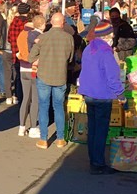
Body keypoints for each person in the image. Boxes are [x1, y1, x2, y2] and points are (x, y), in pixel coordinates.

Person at [79, 21, 126, 174]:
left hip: (89, 94)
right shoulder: (106, 52)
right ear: (106, 36)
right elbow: (113, 77)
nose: (113, 38)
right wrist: (121, 95)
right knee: (100, 131)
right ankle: (98, 164)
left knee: (92, 129)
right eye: (111, 35)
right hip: (102, 95)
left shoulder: (88, 49)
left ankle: (93, 160)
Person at [28, 13, 74, 149]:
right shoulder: (68, 38)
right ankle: (60, 139)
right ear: (63, 22)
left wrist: (41, 60)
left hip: (43, 75)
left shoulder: (43, 37)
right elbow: (70, 58)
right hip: (60, 76)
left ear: (51, 22)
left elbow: (31, 57)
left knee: (43, 107)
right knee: (59, 107)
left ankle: (43, 139)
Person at [17, 14, 45, 138]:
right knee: (35, 100)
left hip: (23, 68)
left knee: (25, 99)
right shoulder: (38, 36)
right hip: (33, 68)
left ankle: (21, 127)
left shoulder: (21, 35)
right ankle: (33, 127)